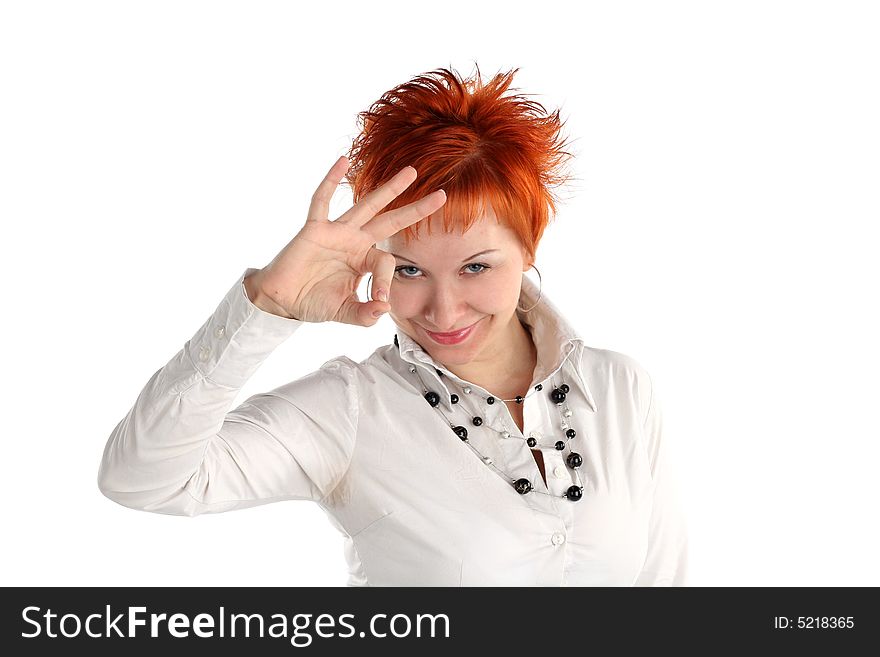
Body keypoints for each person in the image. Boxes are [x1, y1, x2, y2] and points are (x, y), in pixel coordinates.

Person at [97, 65, 688, 586]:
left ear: (529, 247)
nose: (443, 310)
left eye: (476, 267)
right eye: (409, 269)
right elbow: (143, 480)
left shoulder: (619, 388)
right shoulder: (348, 410)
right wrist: (267, 306)